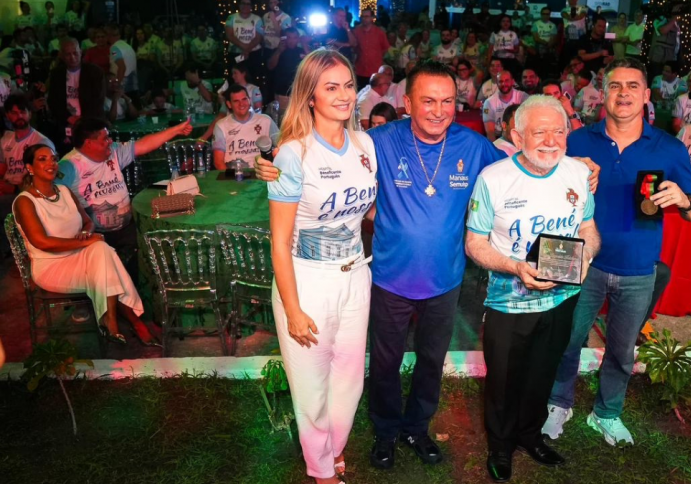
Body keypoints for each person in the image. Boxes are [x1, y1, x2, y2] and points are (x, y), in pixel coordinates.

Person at [254, 61, 561, 471]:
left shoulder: (473, 146)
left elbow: (520, 167)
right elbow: (325, 155)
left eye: (447, 101)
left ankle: (417, 428)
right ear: (408, 103)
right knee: (384, 363)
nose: (439, 110)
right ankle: (384, 431)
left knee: (431, 361)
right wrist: (271, 163)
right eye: (428, 101)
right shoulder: (376, 141)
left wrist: (576, 166)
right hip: (387, 278)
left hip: (445, 279)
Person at [544, 57, 691, 446]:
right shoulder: (577, 141)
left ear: (647, 95)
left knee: (621, 350)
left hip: (637, 265)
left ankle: (606, 412)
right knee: (565, 339)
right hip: (578, 260)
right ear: (602, 94)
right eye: (615, 85)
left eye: (633, 86)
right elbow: (540, 186)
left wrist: (684, 199)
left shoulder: (668, 147)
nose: (624, 93)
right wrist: (566, 169)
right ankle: (557, 403)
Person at [465, 95, 599, 482]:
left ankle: (530, 435)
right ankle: (501, 445)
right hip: (510, 303)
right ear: (517, 135)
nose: (551, 141)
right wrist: (515, 267)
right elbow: (474, 244)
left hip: (562, 299)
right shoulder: (493, 178)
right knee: (504, 378)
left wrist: (586, 257)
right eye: (540, 132)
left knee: (543, 371)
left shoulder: (578, 173)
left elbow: (588, 228)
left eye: (559, 131)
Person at [266, 49, 375, 484]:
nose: (344, 95)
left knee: (349, 381)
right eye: (331, 87)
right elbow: (279, 240)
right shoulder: (293, 154)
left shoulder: (365, 144)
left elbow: (366, 209)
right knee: (311, 388)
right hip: (307, 281)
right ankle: (321, 471)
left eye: (348, 85)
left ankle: (333, 447)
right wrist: (292, 309)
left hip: (356, 275)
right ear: (310, 96)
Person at [13, 144, 160, 347]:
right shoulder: (25, 201)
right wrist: (86, 241)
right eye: (42, 159)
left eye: (53, 158)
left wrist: (86, 234)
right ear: (30, 167)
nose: (51, 163)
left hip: (80, 255)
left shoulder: (64, 191)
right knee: (105, 256)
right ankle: (133, 321)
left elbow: (87, 222)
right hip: (51, 267)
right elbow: (41, 242)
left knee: (101, 250)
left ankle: (111, 322)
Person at [57, 117, 193, 283]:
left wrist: (176, 130)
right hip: (97, 236)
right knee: (115, 276)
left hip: (127, 227)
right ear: (89, 143)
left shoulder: (113, 151)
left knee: (157, 246)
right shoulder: (69, 166)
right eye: (105, 138)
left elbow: (144, 144)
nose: (110, 141)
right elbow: (49, 195)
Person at [48, 38, 105, 149]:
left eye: (75, 53)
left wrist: (80, 121)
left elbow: (98, 101)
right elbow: (53, 101)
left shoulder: (95, 72)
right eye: (68, 54)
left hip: (91, 124)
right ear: (62, 56)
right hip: (66, 124)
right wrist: (68, 118)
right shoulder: (56, 74)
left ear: (80, 52)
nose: (72, 58)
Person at [212, 84, 278, 170]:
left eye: (244, 99)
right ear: (229, 104)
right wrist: (232, 177)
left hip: (262, 172)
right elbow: (218, 162)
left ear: (249, 100)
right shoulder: (221, 126)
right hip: (234, 174)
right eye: (236, 101)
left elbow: (282, 145)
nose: (241, 104)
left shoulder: (266, 120)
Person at [0, 94, 55, 196]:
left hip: (27, 192)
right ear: (7, 115)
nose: (19, 116)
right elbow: (2, 169)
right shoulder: (5, 140)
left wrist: (14, 189)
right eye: (14, 113)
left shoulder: (41, 142)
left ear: (30, 114)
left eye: (23, 112)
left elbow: (46, 177)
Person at [268, 27, 305, 115]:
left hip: (299, 93)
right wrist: (279, 51)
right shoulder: (278, 51)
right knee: (283, 119)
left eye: (294, 38)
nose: (291, 40)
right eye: (289, 37)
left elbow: (313, 65)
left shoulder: (301, 51)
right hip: (282, 94)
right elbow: (270, 66)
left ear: (298, 39)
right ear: (284, 38)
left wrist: (305, 44)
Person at [483, 70, 528, 141]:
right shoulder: (489, 103)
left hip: (520, 137)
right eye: (500, 81)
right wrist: (495, 147)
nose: (504, 84)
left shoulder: (523, 97)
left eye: (507, 80)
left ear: (512, 81)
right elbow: (490, 132)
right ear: (497, 83)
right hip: (499, 138)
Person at [225, 0, 264, 77]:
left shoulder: (257, 19)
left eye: (248, 4)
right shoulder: (231, 18)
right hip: (235, 53)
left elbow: (258, 37)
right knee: (235, 77)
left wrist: (247, 50)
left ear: (251, 6)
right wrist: (244, 47)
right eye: (243, 3)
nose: (245, 6)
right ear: (239, 5)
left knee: (253, 76)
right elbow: (229, 35)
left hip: (253, 54)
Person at [354, 8, 389, 88]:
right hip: (360, 69)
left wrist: (376, 57)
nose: (364, 18)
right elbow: (354, 47)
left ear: (372, 18)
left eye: (366, 16)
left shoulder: (379, 32)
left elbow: (385, 48)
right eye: (362, 16)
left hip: (375, 69)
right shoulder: (357, 31)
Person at [105, 24, 138, 103]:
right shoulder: (127, 46)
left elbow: (122, 67)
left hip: (124, 87)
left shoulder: (114, 49)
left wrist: (117, 83)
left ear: (109, 36)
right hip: (133, 85)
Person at [648, 15, 679, 81]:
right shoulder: (659, 20)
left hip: (670, 57)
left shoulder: (676, 22)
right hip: (657, 57)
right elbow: (663, 30)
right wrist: (673, 19)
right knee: (656, 78)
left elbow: (676, 29)